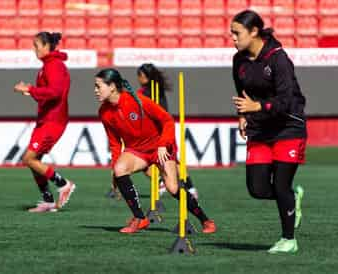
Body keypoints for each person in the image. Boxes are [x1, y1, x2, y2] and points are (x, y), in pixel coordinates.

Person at [95, 68, 216, 234]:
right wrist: (114, 169)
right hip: (137, 150)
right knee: (119, 170)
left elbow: (167, 120)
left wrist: (163, 144)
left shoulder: (138, 101)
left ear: (112, 87)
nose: (95, 90)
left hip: (161, 146)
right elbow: (114, 143)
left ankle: (205, 220)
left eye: (98, 86)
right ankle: (139, 218)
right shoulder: (104, 112)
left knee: (173, 188)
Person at [231, 10, 305, 254]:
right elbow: (243, 93)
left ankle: (288, 240)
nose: (232, 38)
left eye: (236, 33)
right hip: (260, 128)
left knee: (281, 185)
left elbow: (285, 101)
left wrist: (258, 107)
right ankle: (293, 200)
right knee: (258, 189)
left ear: (254, 32)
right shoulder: (238, 60)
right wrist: (243, 115)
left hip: (288, 126)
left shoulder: (278, 58)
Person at [14, 32, 76, 213]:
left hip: (53, 120)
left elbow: (55, 92)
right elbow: (46, 94)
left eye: (37, 45)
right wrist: (31, 92)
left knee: (29, 159)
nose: (34, 49)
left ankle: (64, 184)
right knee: (35, 161)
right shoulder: (47, 66)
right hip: (46, 119)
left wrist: (30, 89)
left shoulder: (54, 66)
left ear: (47, 46)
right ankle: (48, 201)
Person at [136, 63, 199, 199]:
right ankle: (189, 187)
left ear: (144, 77)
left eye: (139, 76)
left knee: (144, 160)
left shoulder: (144, 93)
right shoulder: (158, 89)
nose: (138, 79)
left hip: (157, 133)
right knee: (173, 162)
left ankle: (162, 182)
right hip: (165, 130)